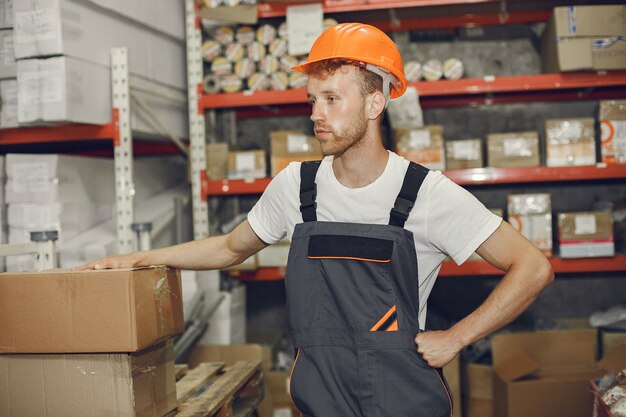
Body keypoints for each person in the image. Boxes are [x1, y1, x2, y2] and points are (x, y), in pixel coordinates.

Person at [81, 23, 553, 417]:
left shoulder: (424, 194)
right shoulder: (296, 187)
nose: (316, 115)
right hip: (321, 400)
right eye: (312, 100)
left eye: (331, 99)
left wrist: (457, 337)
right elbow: (230, 247)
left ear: (374, 104)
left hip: (402, 401)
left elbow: (533, 267)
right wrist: (140, 258)